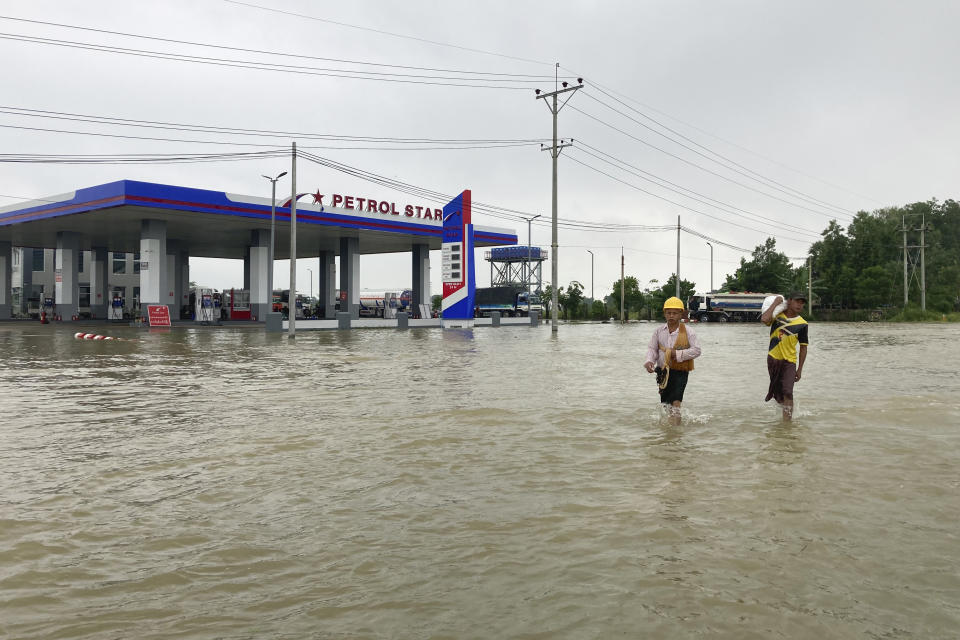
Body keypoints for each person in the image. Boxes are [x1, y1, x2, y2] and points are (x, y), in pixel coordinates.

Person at [644, 297, 702, 425]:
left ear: (681, 314)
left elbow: (697, 350)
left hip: (680, 371)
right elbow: (652, 349)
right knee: (665, 404)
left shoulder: (689, 332)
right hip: (663, 372)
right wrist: (649, 361)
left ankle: (675, 433)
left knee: (676, 402)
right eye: (668, 313)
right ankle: (670, 432)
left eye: (675, 313)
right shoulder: (658, 331)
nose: (671, 316)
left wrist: (678, 354)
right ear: (664, 314)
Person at [760, 291, 809, 421]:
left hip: (790, 361)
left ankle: (787, 425)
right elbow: (764, 319)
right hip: (773, 359)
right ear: (790, 301)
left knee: (788, 392)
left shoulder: (802, 324)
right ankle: (782, 415)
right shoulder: (777, 316)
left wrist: (800, 369)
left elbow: (803, 347)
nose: (799, 305)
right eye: (797, 301)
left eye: (802, 303)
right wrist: (776, 302)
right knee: (779, 394)